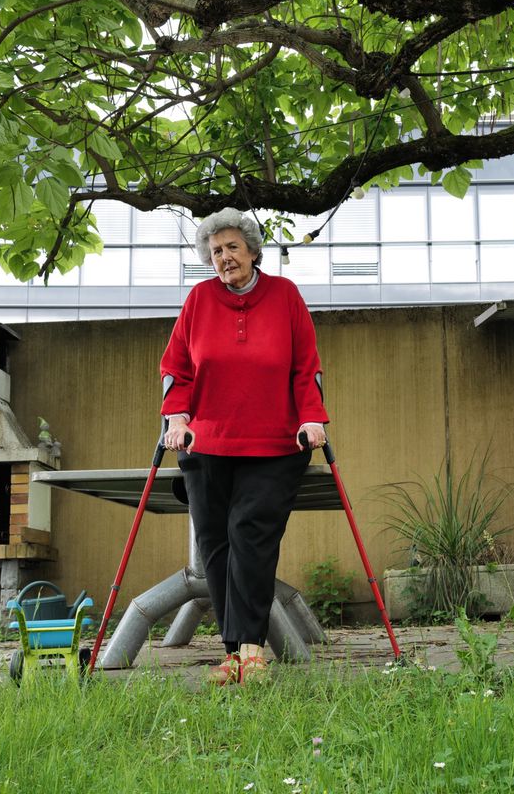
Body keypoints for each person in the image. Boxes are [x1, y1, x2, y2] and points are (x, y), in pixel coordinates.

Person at [159, 207, 329, 685]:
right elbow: (177, 368)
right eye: (215, 251)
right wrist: (177, 415)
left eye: (233, 247)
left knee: (249, 534)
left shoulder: (285, 296)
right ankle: (234, 653)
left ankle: (252, 650)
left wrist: (312, 417)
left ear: (253, 250)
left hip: (275, 441)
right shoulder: (199, 300)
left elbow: (305, 366)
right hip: (206, 441)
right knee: (214, 544)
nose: (225, 257)